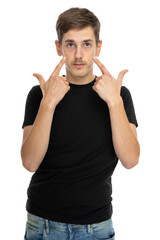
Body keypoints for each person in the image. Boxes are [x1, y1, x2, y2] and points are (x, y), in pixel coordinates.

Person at [21, 7, 140, 240]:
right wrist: (49, 104)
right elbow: (29, 162)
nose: (78, 55)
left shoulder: (119, 95)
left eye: (86, 44)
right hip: (43, 224)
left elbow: (130, 160)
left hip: (96, 226)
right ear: (59, 48)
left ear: (98, 46)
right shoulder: (40, 95)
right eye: (70, 44)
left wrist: (114, 104)